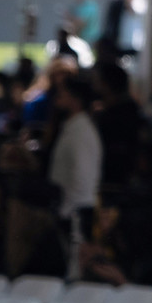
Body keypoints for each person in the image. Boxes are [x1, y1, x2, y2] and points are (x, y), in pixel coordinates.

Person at [46, 70, 102, 280]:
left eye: (62, 93)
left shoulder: (82, 132)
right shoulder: (72, 128)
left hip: (74, 214)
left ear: (75, 99)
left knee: (74, 272)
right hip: (67, 210)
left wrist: (69, 211)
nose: (57, 97)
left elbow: (82, 176)